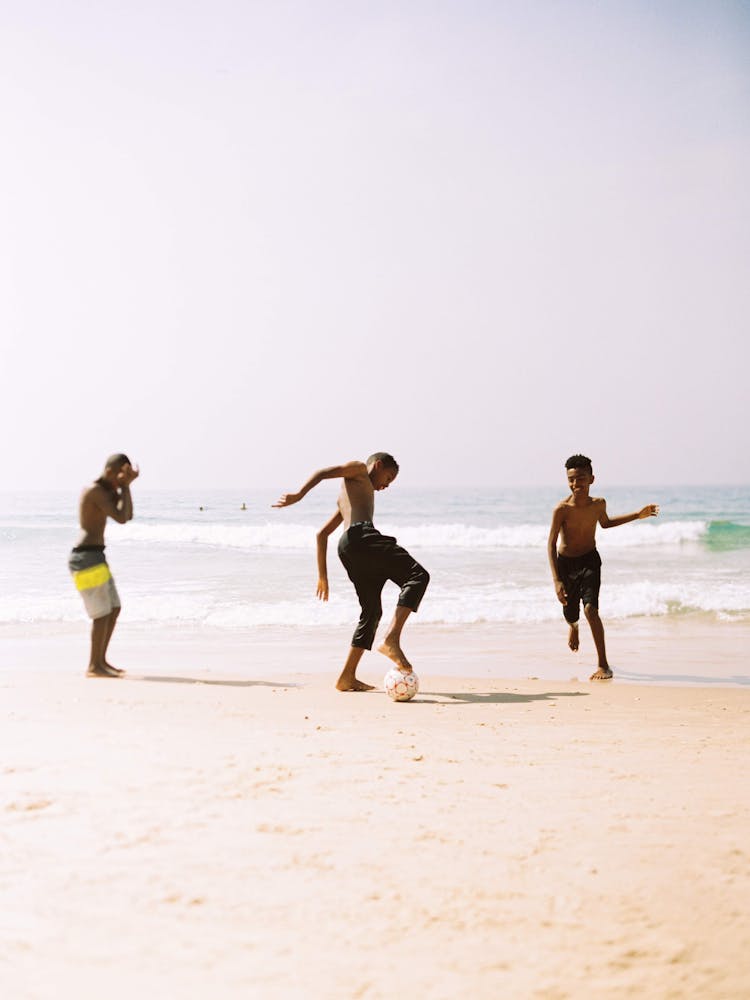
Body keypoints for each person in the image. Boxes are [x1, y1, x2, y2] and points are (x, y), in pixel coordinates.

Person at [273, 453, 429, 691]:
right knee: (418, 575)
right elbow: (323, 473)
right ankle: (392, 640)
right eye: (388, 478)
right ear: (377, 465)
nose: (386, 486)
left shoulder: (347, 498)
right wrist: (299, 495)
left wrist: (322, 575)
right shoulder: (358, 470)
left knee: (372, 611)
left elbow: (322, 534)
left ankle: (346, 677)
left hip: (348, 547)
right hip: (361, 536)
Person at [547, 454, 659, 680]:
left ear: (591, 479)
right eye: (571, 479)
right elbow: (550, 543)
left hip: (590, 560)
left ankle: (603, 665)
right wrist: (556, 580)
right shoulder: (562, 509)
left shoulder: (598, 504)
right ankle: (574, 626)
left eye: (580, 478)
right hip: (566, 564)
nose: (576, 484)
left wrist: (637, 515)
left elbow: (605, 524)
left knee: (591, 609)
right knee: (571, 613)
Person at [68, 454, 139, 677]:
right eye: (120, 475)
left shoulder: (110, 490)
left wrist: (125, 488)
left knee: (114, 608)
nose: (121, 481)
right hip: (85, 558)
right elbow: (119, 517)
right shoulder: (94, 491)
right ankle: (93, 666)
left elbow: (127, 516)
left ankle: (101, 661)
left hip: (96, 557)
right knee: (101, 614)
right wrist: (124, 487)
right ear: (110, 471)